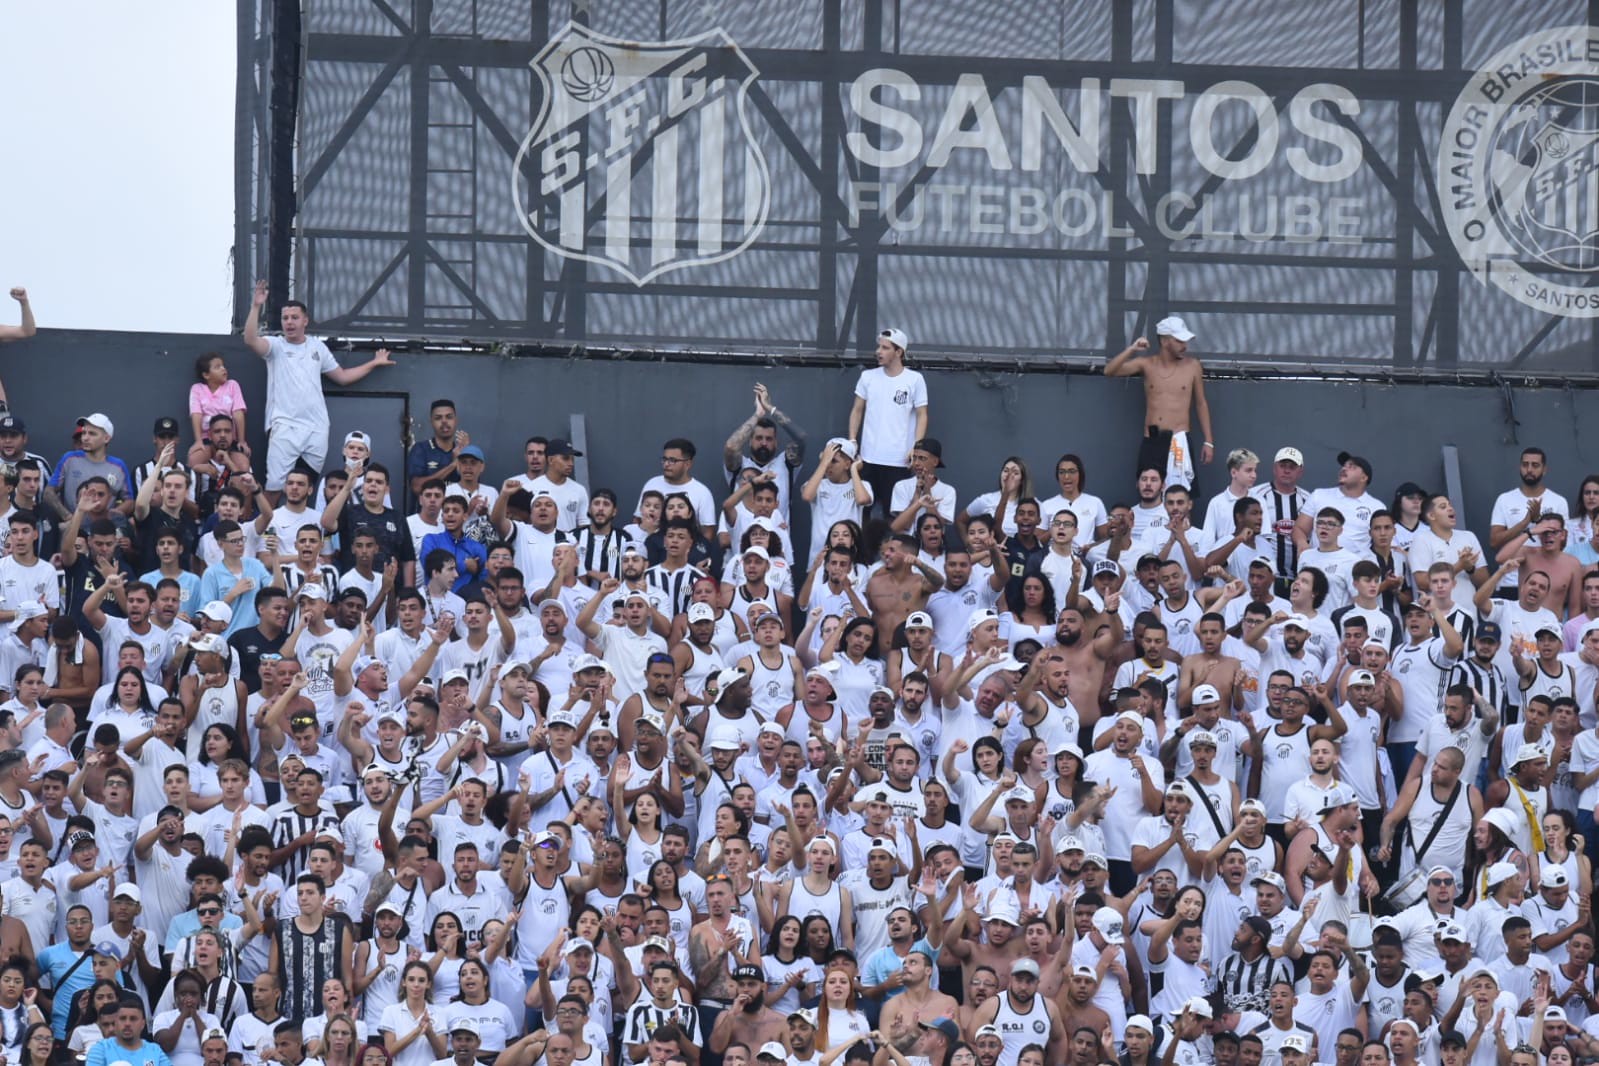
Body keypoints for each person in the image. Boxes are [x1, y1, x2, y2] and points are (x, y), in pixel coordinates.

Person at [242, 280, 394, 497]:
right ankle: (269, 528)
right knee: (275, 486)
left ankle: (306, 530)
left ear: (305, 320)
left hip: (317, 427)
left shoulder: (317, 347)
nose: (289, 322)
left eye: (294, 317)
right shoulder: (275, 346)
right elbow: (249, 339)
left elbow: (342, 377)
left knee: (308, 487)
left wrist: (373, 363)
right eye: (285, 318)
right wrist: (256, 306)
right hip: (285, 425)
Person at [1103, 317, 1213, 490]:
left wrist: (1208, 441)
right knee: (1149, 491)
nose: (1184, 346)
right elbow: (1109, 371)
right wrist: (1132, 349)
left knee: (1182, 494)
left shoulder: (1193, 365)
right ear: (1164, 341)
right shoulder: (1147, 364)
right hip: (1153, 439)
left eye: (1185, 341)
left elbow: (1201, 403)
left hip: (1179, 439)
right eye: (1179, 341)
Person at [848, 329, 928, 517]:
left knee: (893, 517)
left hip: (898, 462)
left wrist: (916, 448)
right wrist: (852, 440)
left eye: (885, 347)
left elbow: (922, 415)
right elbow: (857, 410)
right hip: (867, 459)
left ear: (899, 352)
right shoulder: (868, 377)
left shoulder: (915, 380)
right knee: (862, 515)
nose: (878, 351)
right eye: (879, 347)